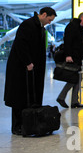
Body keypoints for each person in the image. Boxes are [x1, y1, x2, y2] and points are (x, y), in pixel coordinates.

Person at [4, 7, 57, 135]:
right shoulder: (27, 25)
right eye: (49, 19)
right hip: (21, 67)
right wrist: (27, 62)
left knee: (29, 96)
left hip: (31, 68)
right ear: (44, 15)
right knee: (19, 97)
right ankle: (17, 126)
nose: (49, 23)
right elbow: (21, 45)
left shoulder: (39, 27)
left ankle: (29, 123)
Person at [56, 13, 83, 109]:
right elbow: (68, 42)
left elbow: (80, 45)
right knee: (73, 79)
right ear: (82, 18)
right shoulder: (72, 27)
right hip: (73, 57)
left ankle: (75, 101)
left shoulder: (77, 28)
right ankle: (61, 97)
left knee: (78, 80)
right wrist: (68, 55)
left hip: (76, 57)